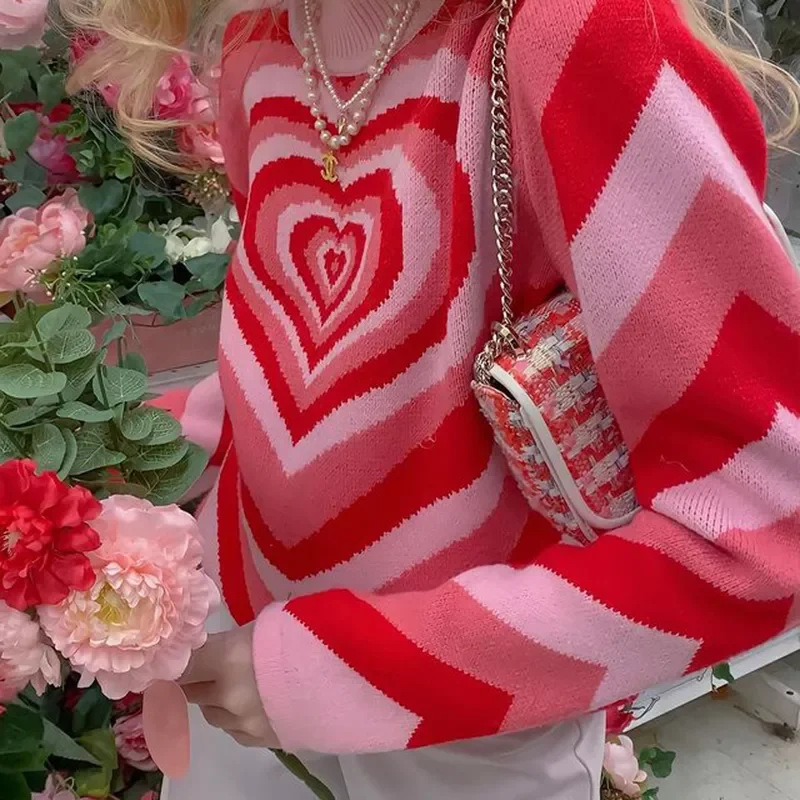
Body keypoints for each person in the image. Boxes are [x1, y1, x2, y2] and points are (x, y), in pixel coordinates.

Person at [63, 0, 800, 798]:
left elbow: (766, 533)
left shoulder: (575, 39)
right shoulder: (264, 40)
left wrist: (344, 673)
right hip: (238, 647)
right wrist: (117, 464)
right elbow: (301, 349)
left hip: (464, 720)